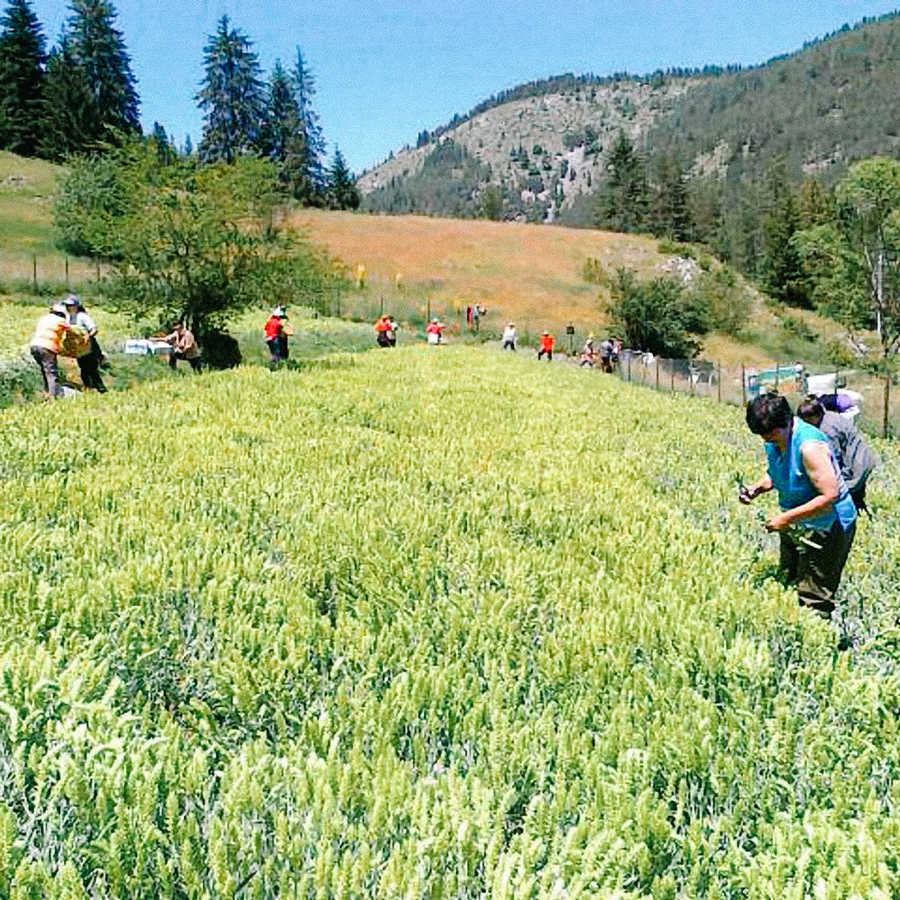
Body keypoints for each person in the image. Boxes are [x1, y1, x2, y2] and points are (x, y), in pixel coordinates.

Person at [741, 392, 857, 621]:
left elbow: (829, 496)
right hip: (797, 521)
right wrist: (757, 489)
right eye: (763, 436)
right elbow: (779, 470)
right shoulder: (775, 439)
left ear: (787, 422)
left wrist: (785, 519)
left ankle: (817, 635)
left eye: (771, 435)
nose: (767, 440)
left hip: (827, 525)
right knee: (789, 577)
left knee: (813, 594)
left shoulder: (810, 447)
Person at [797, 395, 878, 513]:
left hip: (855, 465)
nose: (808, 425)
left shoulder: (827, 430)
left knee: (843, 497)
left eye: (809, 421)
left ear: (817, 416)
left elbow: (834, 459)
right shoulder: (829, 415)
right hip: (862, 459)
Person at [66, 295, 107, 392]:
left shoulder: (82, 316)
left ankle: (101, 389)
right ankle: (88, 388)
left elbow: (94, 329)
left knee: (92, 369)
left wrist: (88, 338)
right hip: (79, 349)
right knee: (83, 369)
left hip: (89, 347)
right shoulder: (69, 318)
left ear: (76, 306)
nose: (68, 307)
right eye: (67, 305)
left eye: (70, 305)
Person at [29, 301, 70, 398]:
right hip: (48, 347)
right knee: (51, 372)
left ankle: (46, 392)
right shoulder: (60, 320)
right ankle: (53, 395)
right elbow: (71, 329)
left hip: (34, 345)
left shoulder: (44, 318)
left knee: (44, 370)